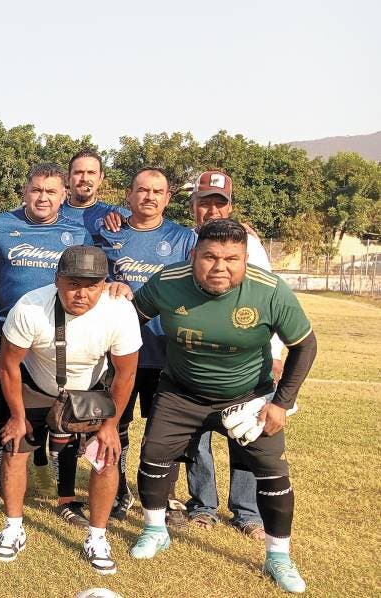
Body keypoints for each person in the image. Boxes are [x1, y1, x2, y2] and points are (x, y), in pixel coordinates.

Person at [130, 219, 317, 594]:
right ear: (194, 255)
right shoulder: (168, 282)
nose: (220, 267)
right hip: (181, 392)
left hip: (248, 396)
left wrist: (281, 403)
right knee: (153, 454)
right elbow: (130, 320)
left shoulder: (269, 290)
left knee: (273, 472)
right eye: (210, 257)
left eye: (232, 258)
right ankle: (155, 529)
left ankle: (278, 556)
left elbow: (305, 346)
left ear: (246, 259)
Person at [0, 245, 140, 574]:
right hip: (36, 385)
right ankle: (14, 527)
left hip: (89, 391)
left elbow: (126, 373)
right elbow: (9, 366)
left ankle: (97, 536)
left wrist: (109, 426)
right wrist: (17, 417)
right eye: (73, 283)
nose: (82, 293)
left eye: (92, 285)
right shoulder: (30, 306)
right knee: (14, 448)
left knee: (106, 455)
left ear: (104, 284)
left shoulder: (119, 310)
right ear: (56, 279)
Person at [0, 162, 93, 527]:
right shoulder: (1, 224)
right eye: (36, 190)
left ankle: (67, 496)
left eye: (51, 191)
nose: (42, 197)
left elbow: (92, 275)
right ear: (25, 191)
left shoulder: (77, 230)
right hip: (7, 336)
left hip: (59, 340)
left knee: (67, 419)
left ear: (63, 196)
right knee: (1, 417)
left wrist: (117, 285)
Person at [181, 170, 287, 539]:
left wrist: (274, 353)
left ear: (230, 205)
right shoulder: (185, 240)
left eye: (219, 202)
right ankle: (202, 506)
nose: (212, 210)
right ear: (193, 204)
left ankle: (247, 512)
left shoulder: (250, 245)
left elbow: (269, 302)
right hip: (194, 355)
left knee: (245, 432)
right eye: (204, 202)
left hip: (244, 358)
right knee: (196, 437)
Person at [91, 167, 197, 522]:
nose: (149, 196)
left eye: (157, 191)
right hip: (121, 353)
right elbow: (92, 281)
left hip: (168, 353)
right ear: (129, 194)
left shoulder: (184, 239)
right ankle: (118, 490)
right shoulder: (109, 232)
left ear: (167, 198)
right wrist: (108, 286)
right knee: (114, 424)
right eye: (142, 190)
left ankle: (163, 497)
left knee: (165, 431)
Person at [60, 148, 128, 234]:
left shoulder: (118, 215)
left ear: (101, 178)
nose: (85, 179)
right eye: (78, 172)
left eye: (91, 172)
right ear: (68, 177)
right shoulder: (52, 214)